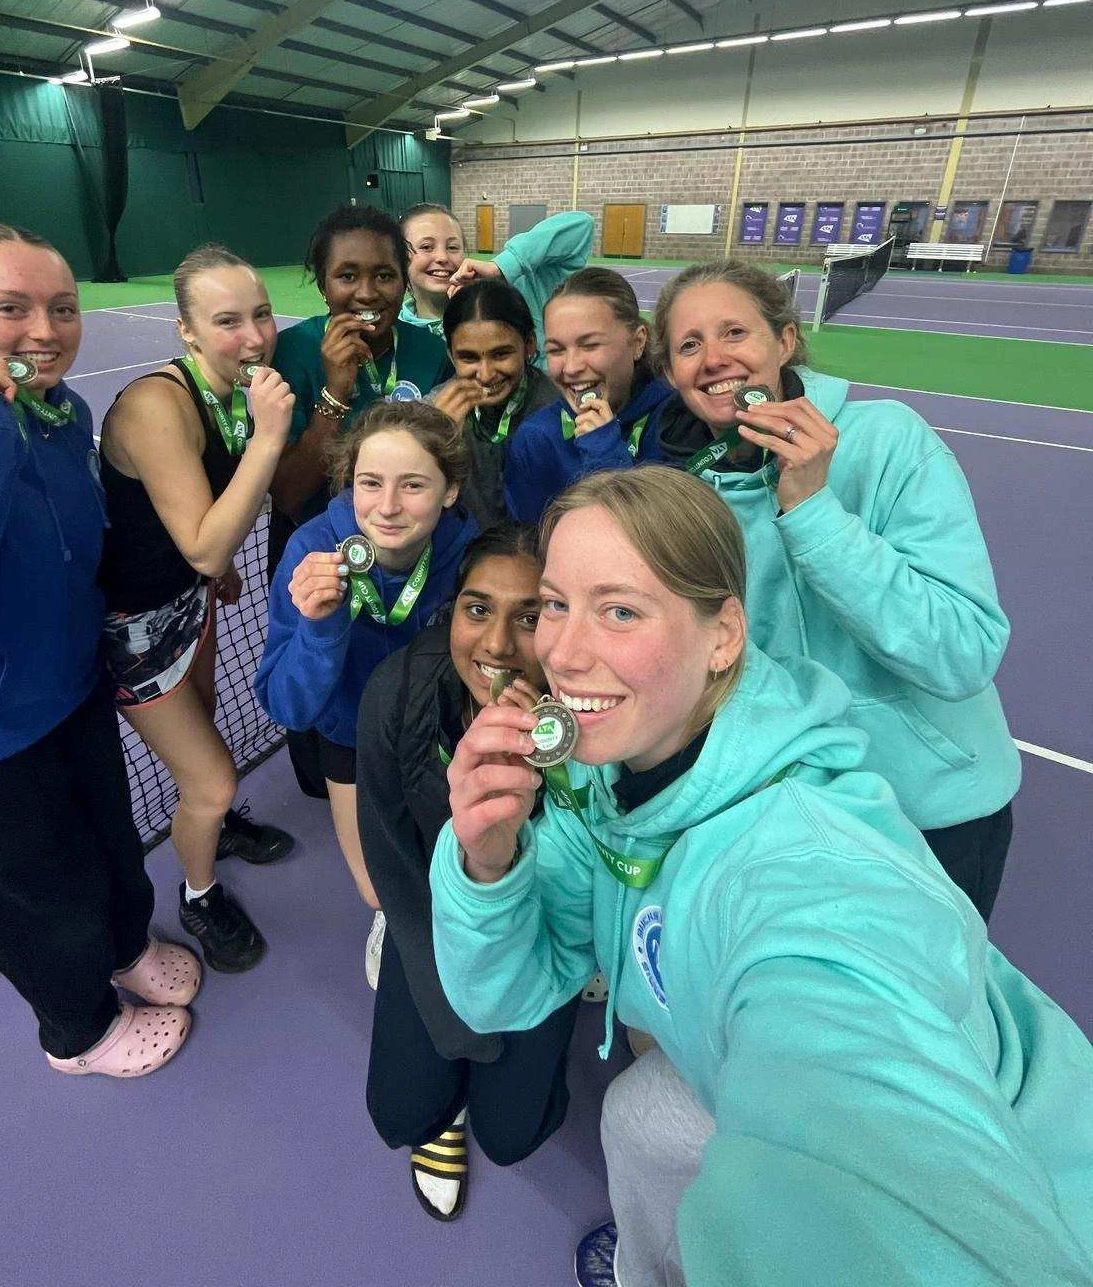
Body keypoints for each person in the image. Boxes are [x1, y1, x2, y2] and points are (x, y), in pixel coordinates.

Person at [430, 467, 1093, 1287]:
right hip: (707, 1064)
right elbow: (504, 995)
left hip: (1044, 1174)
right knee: (638, 1117)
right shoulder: (613, 772)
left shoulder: (810, 878)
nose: (561, 652)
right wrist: (486, 864)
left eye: (621, 610)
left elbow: (900, 1193)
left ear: (724, 635)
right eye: (557, 604)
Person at [0, 223, 198, 1079]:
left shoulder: (65, 412)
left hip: (70, 691)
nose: (45, 329)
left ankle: (127, 945)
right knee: (37, 895)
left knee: (109, 842)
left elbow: (80, 545)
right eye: (11, 308)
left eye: (62, 308)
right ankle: (79, 1029)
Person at [649, 260, 1018, 919]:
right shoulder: (682, 500)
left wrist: (813, 510)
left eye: (736, 333)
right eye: (689, 345)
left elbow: (962, 652)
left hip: (934, 817)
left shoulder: (888, 441)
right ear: (672, 374)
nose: (714, 359)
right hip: (792, 826)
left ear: (784, 342)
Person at [357, 522, 580, 1221]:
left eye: (532, 616)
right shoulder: (398, 694)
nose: (496, 646)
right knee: (402, 1108)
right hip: (431, 920)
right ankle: (440, 1108)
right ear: (451, 609)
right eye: (478, 609)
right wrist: (456, 1013)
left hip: (545, 936)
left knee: (511, 1136)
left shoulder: (600, 722)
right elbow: (394, 868)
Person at [98, 245, 296, 975]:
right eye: (227, 322)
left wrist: (206, 574)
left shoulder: (230, 396)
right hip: (132, 630)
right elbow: (210, 545)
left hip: (188, 602)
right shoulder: (157, 404)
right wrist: (273, 435)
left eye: (262, 314)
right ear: (186, 332)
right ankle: (198, 892)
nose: (254, 336)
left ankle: (211, 829)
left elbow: (201, 543)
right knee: (212, 778)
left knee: (204, 749)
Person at [257, 401, 478, 920]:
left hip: (439, 737)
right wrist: (320, 628)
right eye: (371, 483)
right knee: (380, 891)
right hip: (350, 740)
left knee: (451, 862)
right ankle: (390, 924)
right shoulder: (310, 550)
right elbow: (288, 707)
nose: (388, 506)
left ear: (450, 491)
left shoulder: (470, 554)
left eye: (414, 485)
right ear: (350, 483)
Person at [266, 205, 452, 800]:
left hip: (410, 544)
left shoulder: (430, 350)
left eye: (384, 275)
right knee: (324, 669)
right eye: (347, 276)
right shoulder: (294, 350)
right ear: (322, 283)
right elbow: (290, 491)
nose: (366, 292)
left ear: (405, 277)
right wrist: (335, 389)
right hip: (319, 543)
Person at [505, 268, 670, 523]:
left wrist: (605, 452)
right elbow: (526, 546)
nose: (571, 367)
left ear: (637, 343)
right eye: (556, 350)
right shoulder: (536, 438)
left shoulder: (676, 419)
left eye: (590, 345)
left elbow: (668, 542)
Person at [431, 279, 558, 527]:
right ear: (450, 354)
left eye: (501, 354)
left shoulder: (559, 410)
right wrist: (431, 442)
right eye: (468, 357)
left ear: (530, 344)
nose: (486, 374)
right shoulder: (435, 409)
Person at [400, 203, 593, 355]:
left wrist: (502, 266)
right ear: (400, 256)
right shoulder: (394, 331)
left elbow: (583, 225)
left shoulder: (514, 289)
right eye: (426, 247)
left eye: (452, 247)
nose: (442, 257)